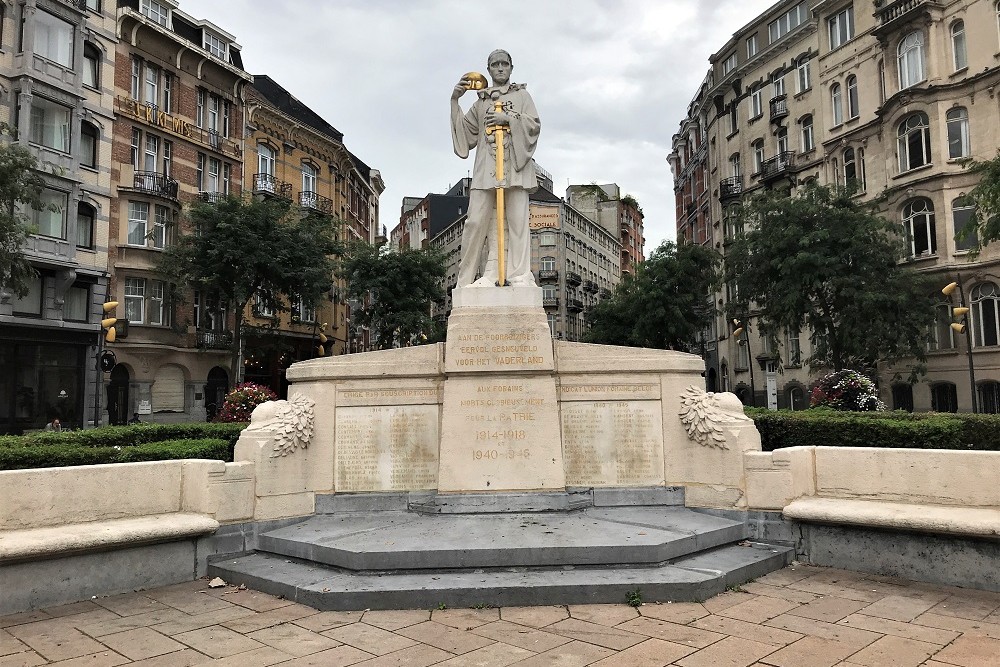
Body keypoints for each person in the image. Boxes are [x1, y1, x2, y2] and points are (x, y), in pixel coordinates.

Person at [451, 49, 540, 288]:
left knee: (517, 222)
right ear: (488, 70)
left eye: (504, 64)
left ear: (511, 68)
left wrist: (509, 119)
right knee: (476, 221)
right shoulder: (481, 102)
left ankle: (519, 276)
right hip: (486, 167)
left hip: (516, 167)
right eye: (495, 65)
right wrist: (454, 101)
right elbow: (465, 137)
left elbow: (533, 126)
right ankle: (465, 280)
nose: (500, 68)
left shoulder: (523, 96)